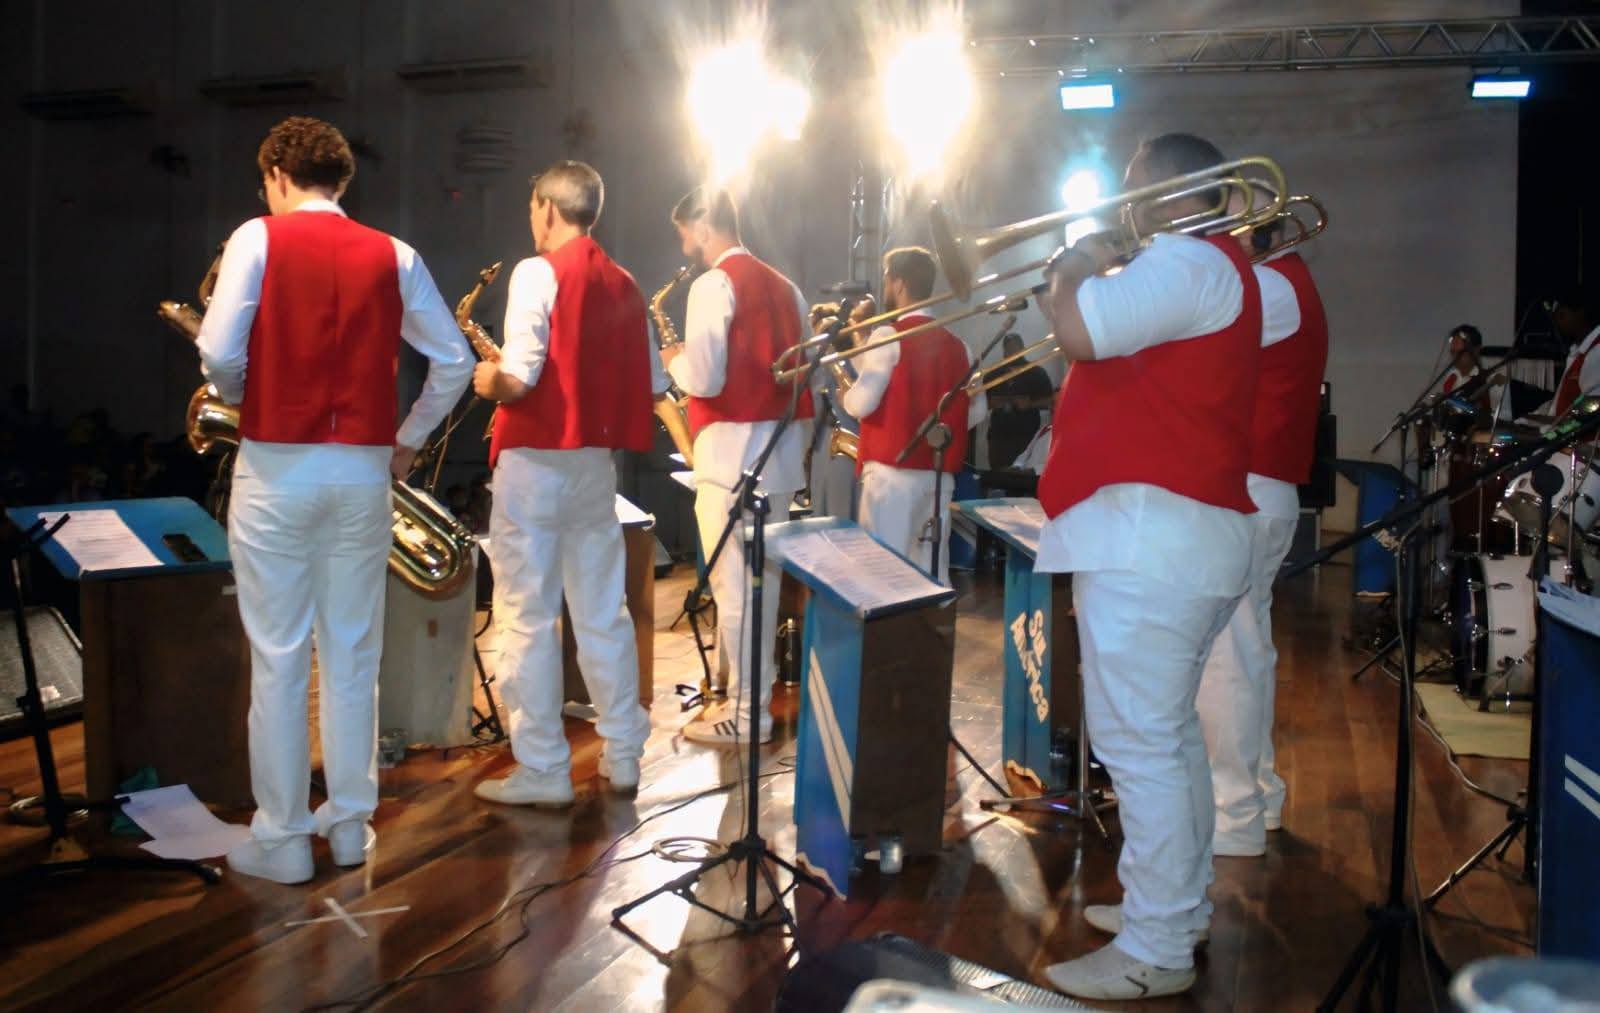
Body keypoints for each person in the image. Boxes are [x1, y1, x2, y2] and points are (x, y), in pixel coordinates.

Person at [196, 116, 472, 884]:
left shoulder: (257, 237)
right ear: (340, 180)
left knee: (280, 658)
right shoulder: (396, 253)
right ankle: (350, 825)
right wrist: (409, 439)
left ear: (277, 176)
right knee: (352, 654)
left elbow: (217, 350)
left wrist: (239, 393)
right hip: (361, 472)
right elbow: (453, 360)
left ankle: (283, 837)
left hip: (277, 468)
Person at [1031, 133, 1261, 1001]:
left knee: (1141, 745)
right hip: (1173, 538)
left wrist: (1074, 262)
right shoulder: (1206, 269)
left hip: (1152, 540)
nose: (1122, 207)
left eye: (1132, 190)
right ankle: (1175, 909)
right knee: (1167, 740)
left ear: (1169, 193)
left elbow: (1081, 329)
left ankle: (1157, 946)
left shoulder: (1186, 259)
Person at [472, 161, 662, 806]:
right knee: (603, 612)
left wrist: (490, 381)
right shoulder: (626, 283)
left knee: (526, 617)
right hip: (594, 468)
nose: (532, 220)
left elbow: (521, 375)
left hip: (534, 465)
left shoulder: (537, 271)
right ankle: (624, 753)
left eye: (533, 209)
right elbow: (656, 382)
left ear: (548, 209)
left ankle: (544, 768)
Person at [1194, 217, 1329, 860]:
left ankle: (1233, 811)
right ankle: (1258, 793)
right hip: (1257, 488)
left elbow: (1187, 337)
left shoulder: (1270, 288)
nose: (1223, 245)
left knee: (1228, 657)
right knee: (1246, 652)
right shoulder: (1282, 284)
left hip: (1247, 489)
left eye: (1232, 232)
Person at [663, 187, 813, 746]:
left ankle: (748, 717)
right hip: (779, 459)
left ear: (703, 226)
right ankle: (753, 708)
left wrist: (672, 360)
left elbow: (704, 379)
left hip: (730, 459)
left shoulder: (713, 284)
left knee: (735, 593)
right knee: (762, 590)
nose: (686, 244)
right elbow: (806, 372)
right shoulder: (788, 287)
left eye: (685, 232)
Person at [840, 246, 987, 584]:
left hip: (891, 478)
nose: (886, 287)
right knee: (930, 574)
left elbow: (861, 404)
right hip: (938, 479)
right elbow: (977, 411)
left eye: (887, 279)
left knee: (882, 575)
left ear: (900, 283)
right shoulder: (960, 345)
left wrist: (845, 396)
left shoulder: (888, 335)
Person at [985, 332, 1055, 470]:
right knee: (998, 475)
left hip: (1027, 436)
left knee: (1024, 474)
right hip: (999, 437)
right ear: (1004, 351)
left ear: (1023, 349)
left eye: (1016, 348)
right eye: (1009, 348)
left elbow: (1051, 400)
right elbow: (979, 404)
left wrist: (1030, 404)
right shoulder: (992, 374)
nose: (1013, 351)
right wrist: (991, 403)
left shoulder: (1036, 373)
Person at [1551, 291, 1600, 414]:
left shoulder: (1597, 351)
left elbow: (1590, 410)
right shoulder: (1578, 351)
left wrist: (1550, 426)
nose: (1557, 323)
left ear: (1580, 313)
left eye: (1562, 315)